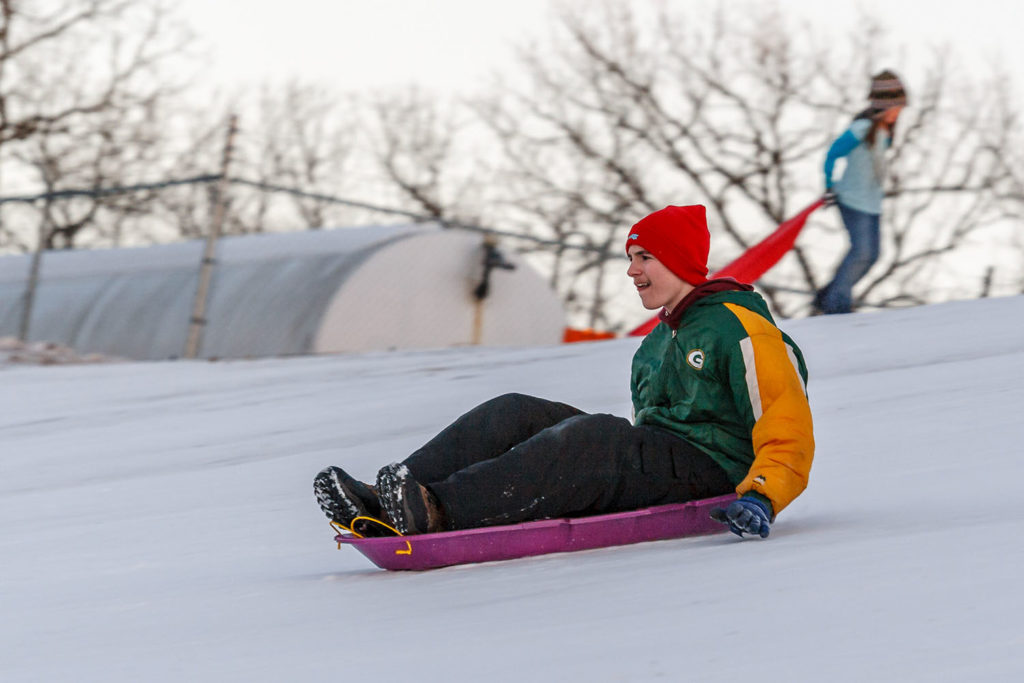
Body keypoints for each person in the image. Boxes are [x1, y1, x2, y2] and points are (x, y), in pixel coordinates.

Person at [315, 205, 815, 540]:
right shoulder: (655, 344)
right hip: (662, 461)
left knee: (596, 437)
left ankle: (438, 508)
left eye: (645, 257)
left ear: (681, 261)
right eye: (631, 258)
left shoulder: (738, 328)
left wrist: (764, 497)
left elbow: (785, 419)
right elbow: (645, 436)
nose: (632, 271)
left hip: (723, 477)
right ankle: (387, 500)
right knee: (517, 410)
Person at [814, 70, 907, 315]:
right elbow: (833, 153)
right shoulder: (861, 128)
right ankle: (836, 304)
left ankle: (829, 295)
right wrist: (828, 185)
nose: (899, 113)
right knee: (862, 252)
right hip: (852, 199)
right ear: (884, 106)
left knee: (873, 255)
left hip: (872, 203)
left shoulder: (883, 133)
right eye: (896, 108)